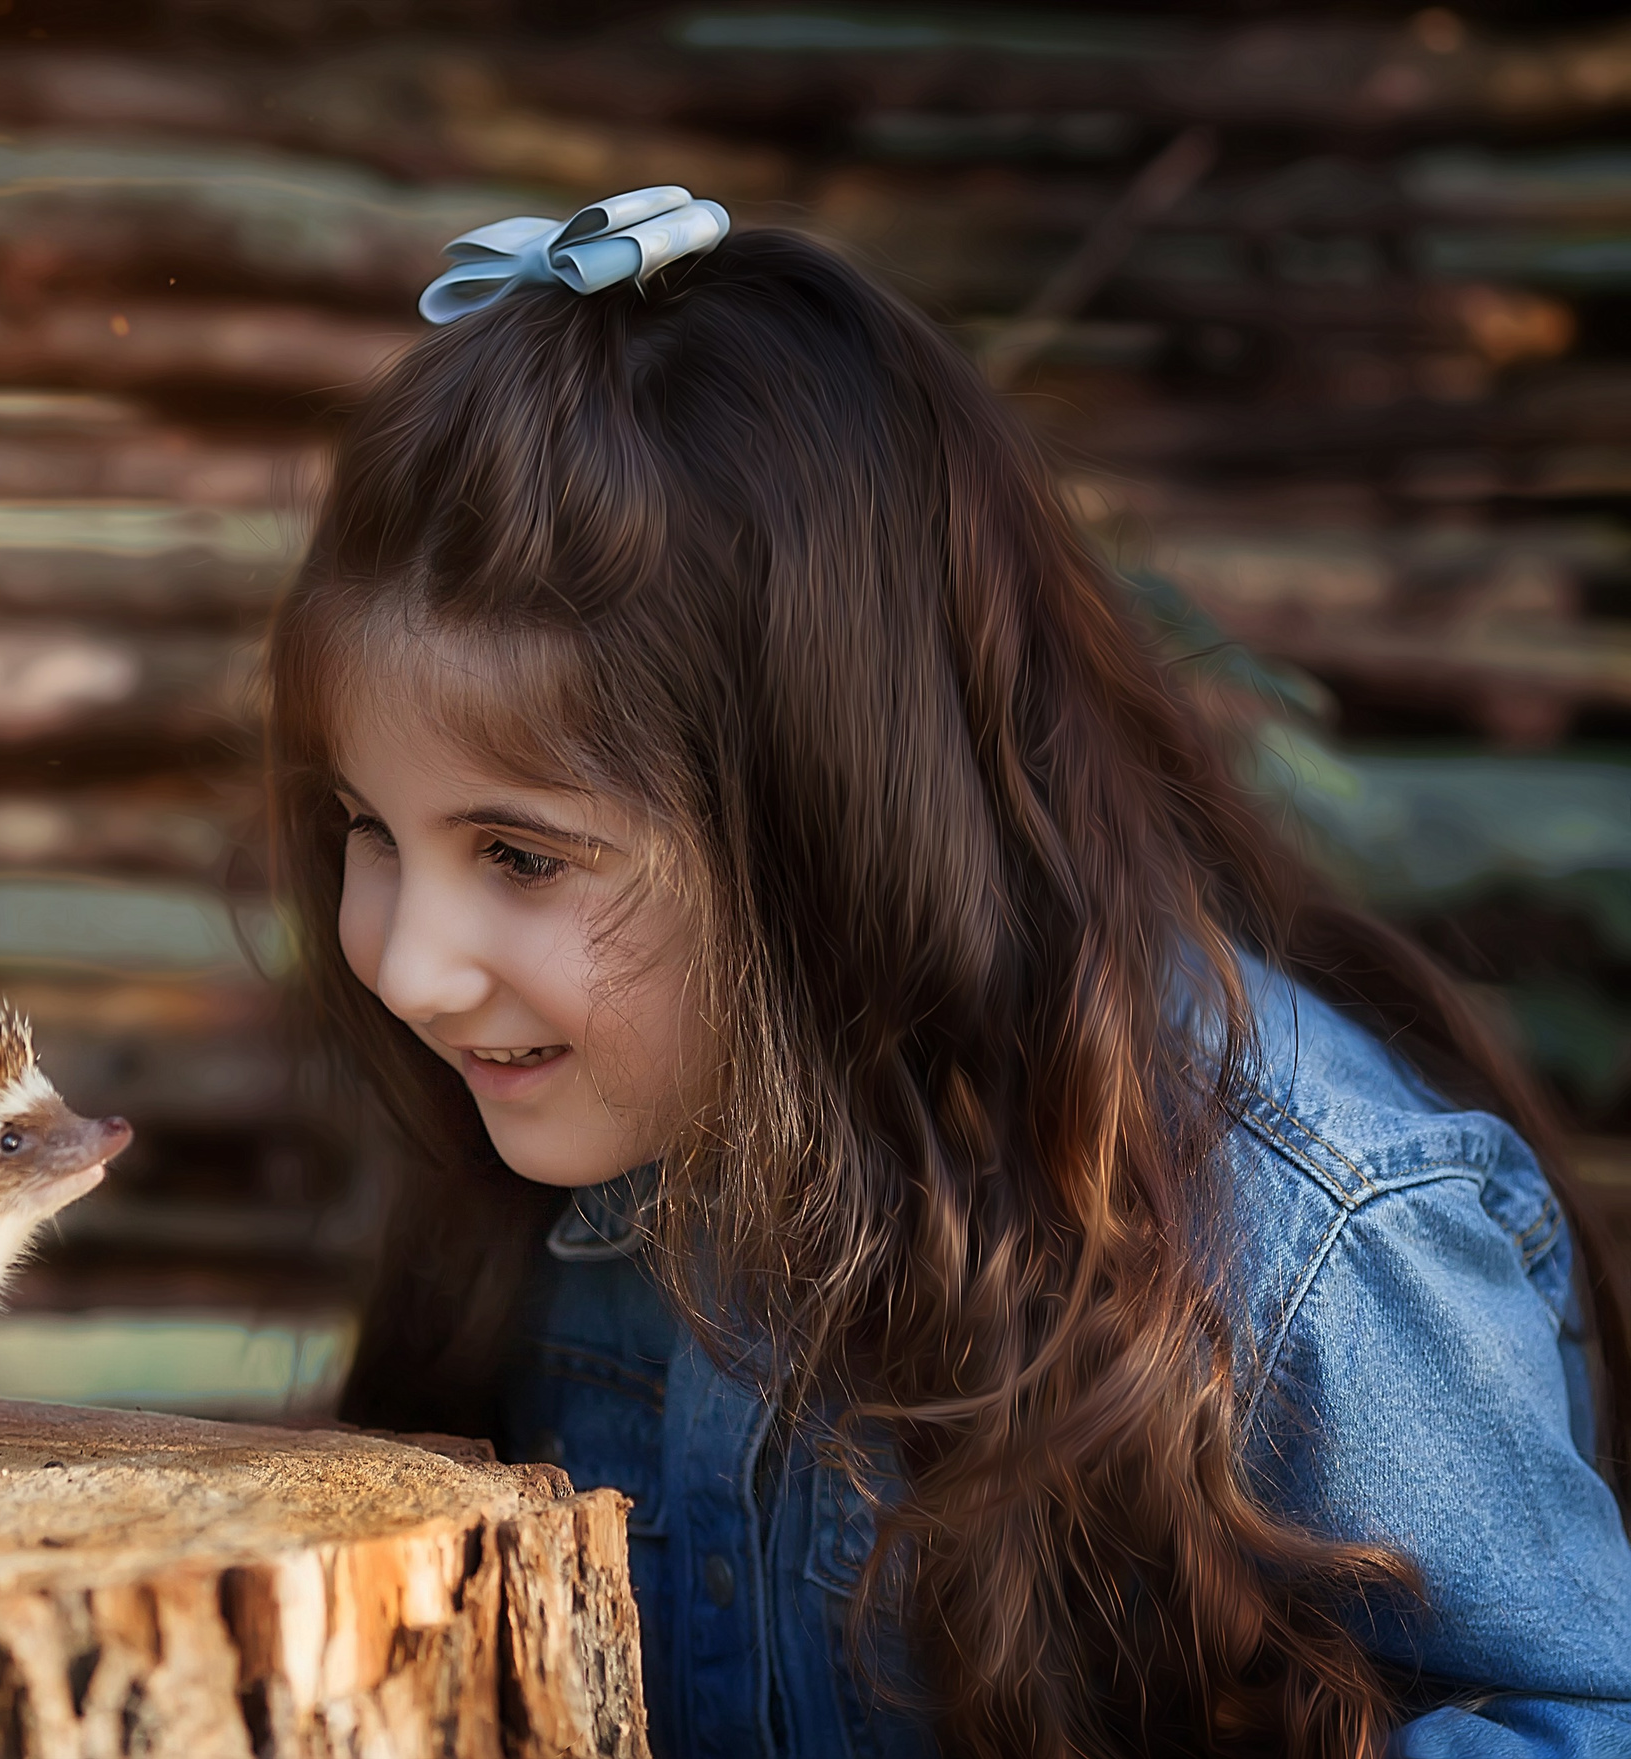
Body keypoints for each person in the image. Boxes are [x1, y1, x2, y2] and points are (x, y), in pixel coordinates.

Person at [264, 195, 1631, 1757]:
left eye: (521, 857)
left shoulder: (1295, 1232)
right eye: (370, 828)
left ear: (825, 823)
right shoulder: (583, 1157)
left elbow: (1578, 1719)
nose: (415, 968)